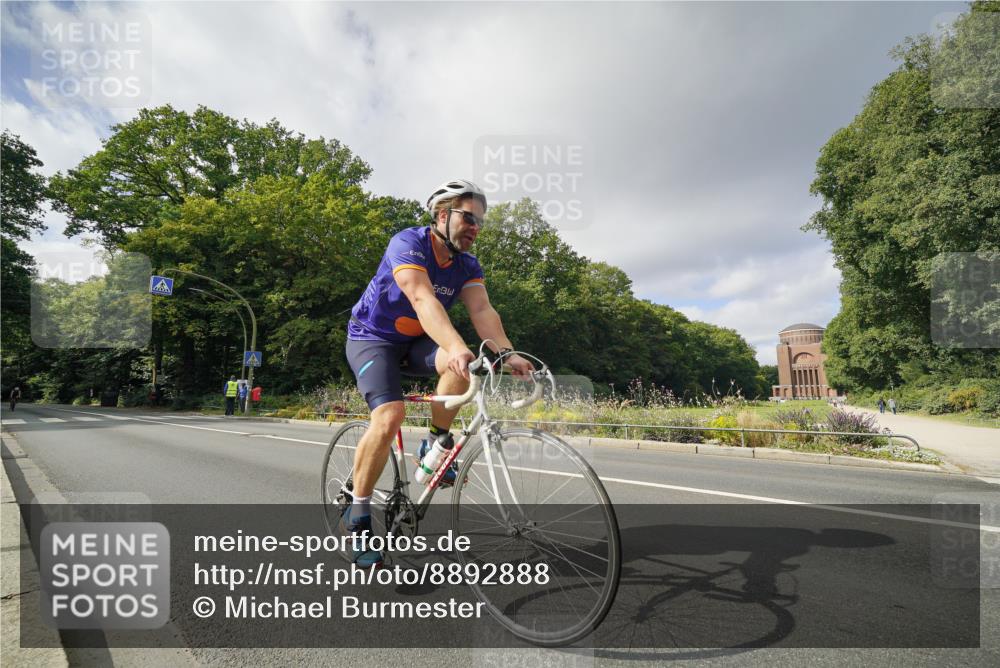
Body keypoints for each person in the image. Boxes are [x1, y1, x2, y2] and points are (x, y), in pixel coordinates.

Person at [343, 179, 534, 567]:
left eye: (481, 222)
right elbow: (421, 297)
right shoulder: (408, 243)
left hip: (415, 343)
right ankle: (358, 516)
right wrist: (455, 345)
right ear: (442, 215)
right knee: (390, 414)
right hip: (372, 339)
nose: (475, 228)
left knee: (464, 366)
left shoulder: (467, 265)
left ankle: (434, 440)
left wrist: (508, 353)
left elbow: (482, 312)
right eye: (469, 218)